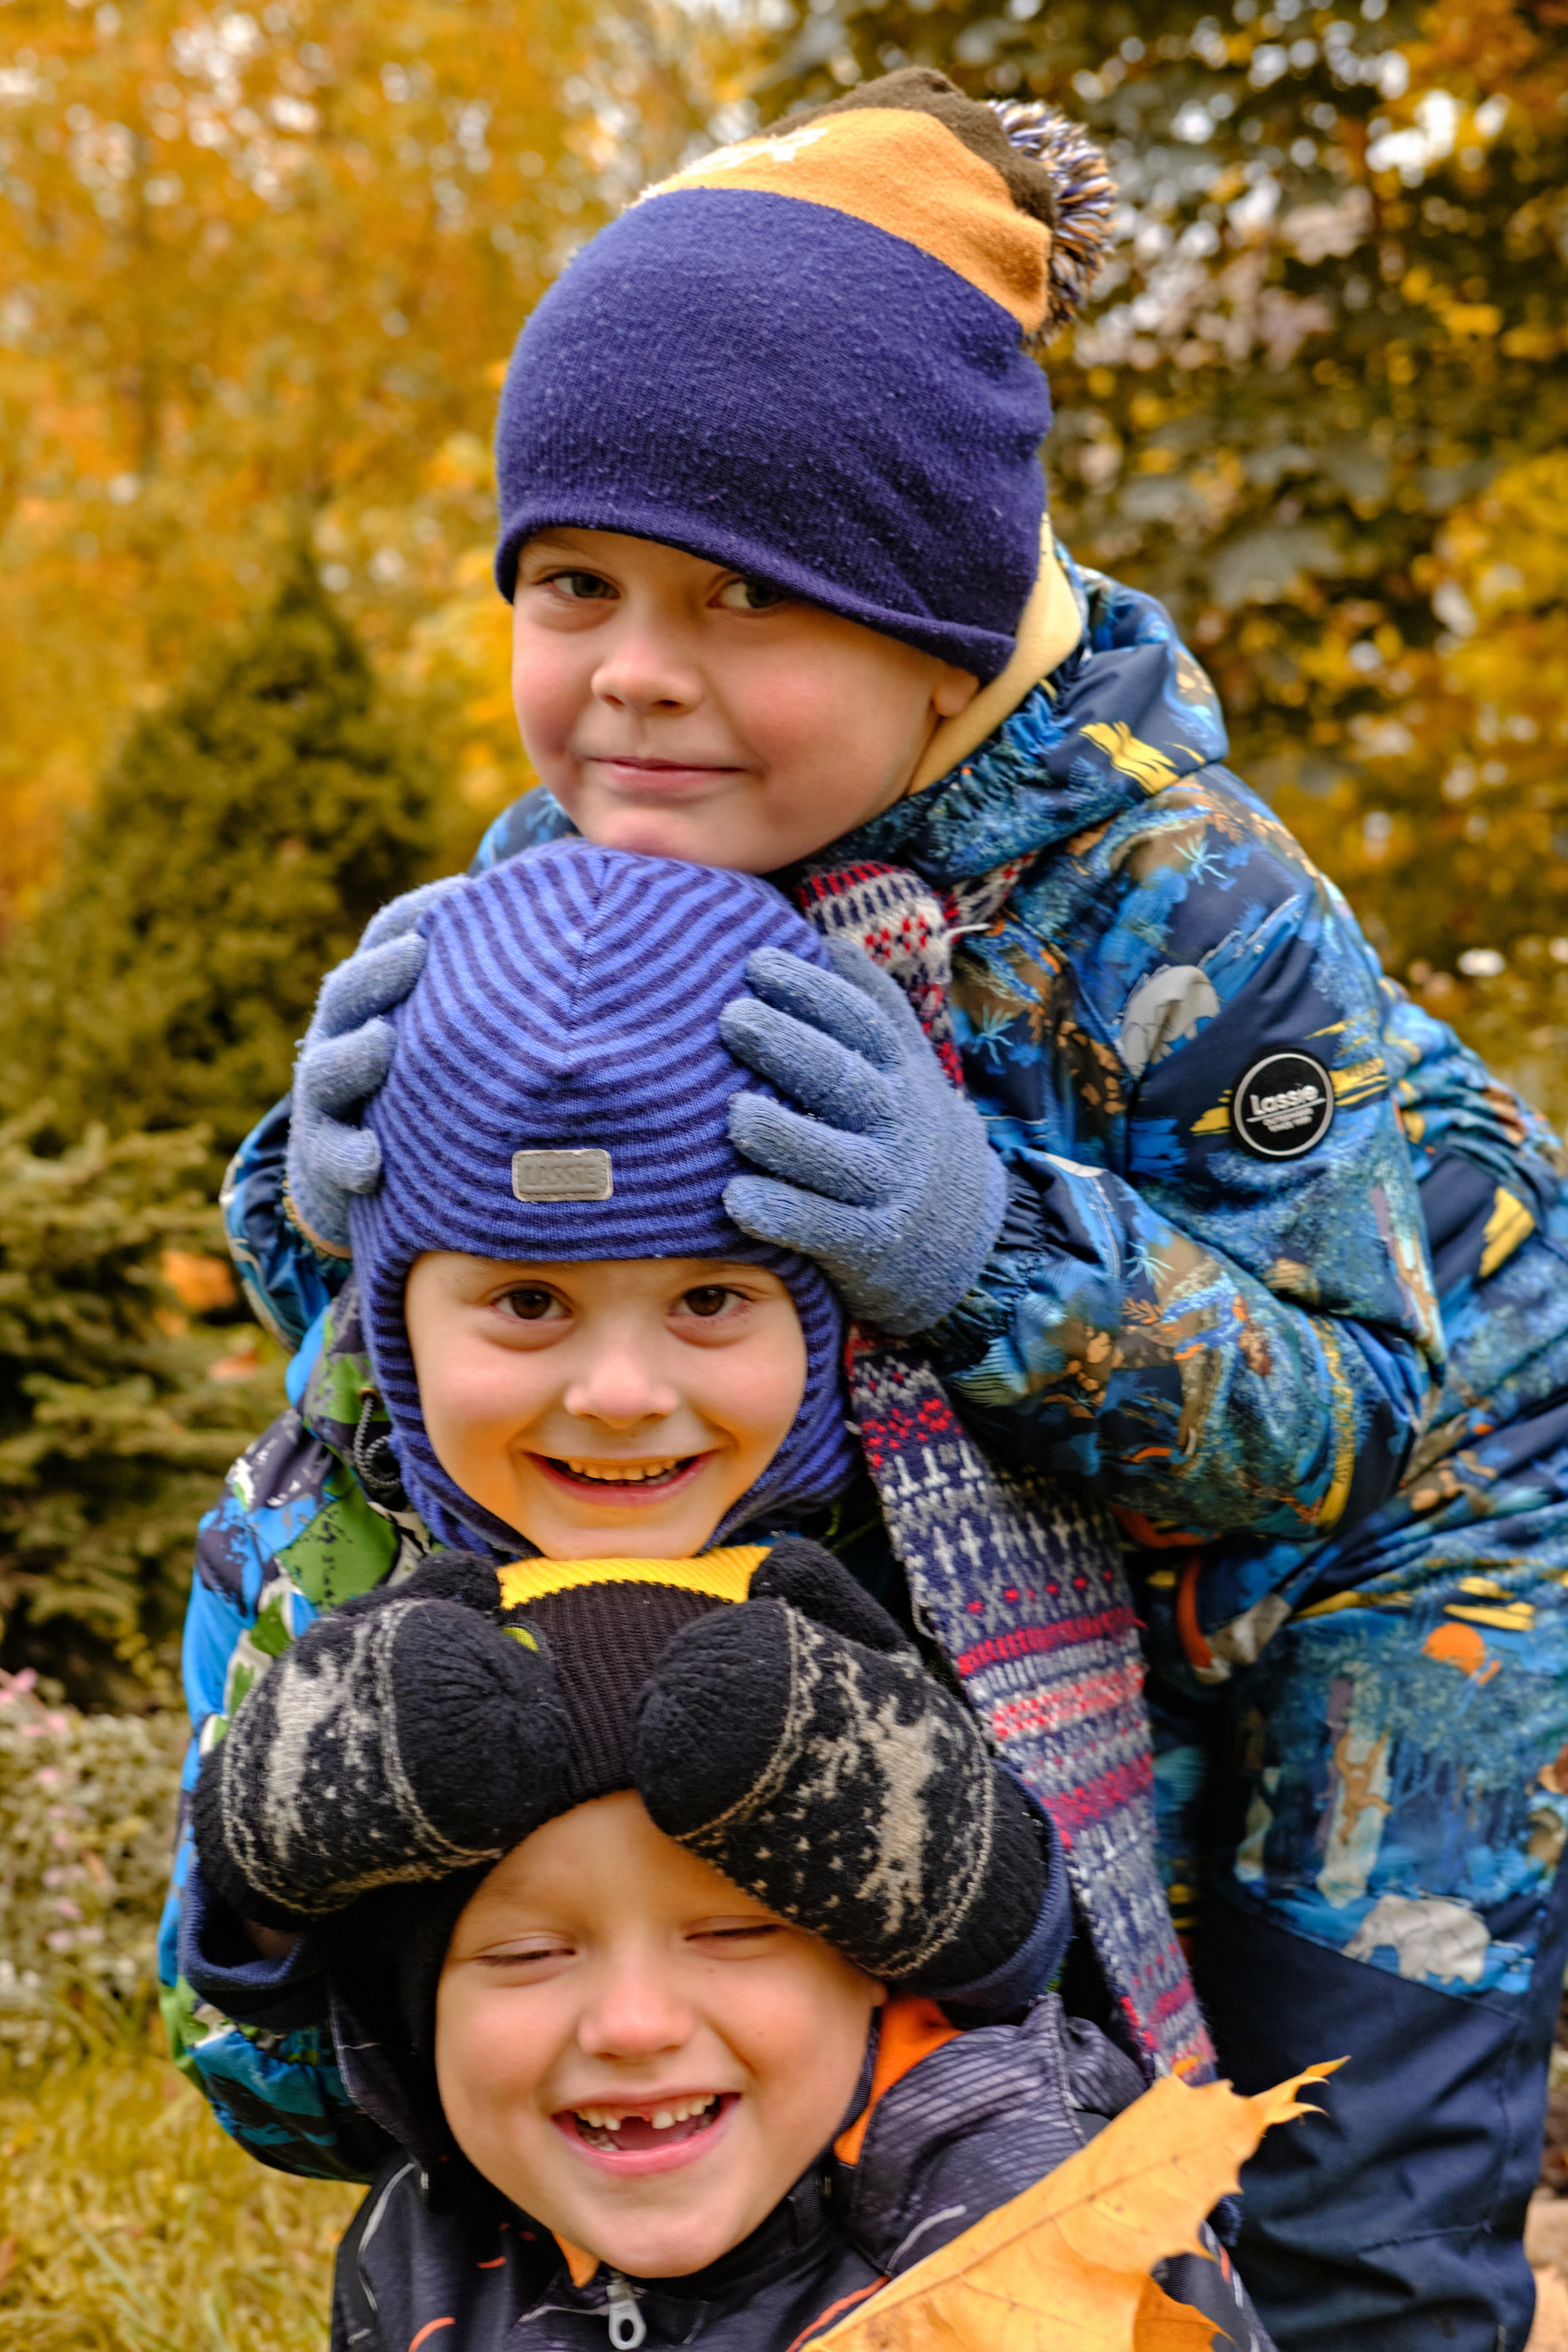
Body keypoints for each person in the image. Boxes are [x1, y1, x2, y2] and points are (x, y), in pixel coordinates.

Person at [208, 66, 1568, 2347]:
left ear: (944, 645)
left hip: (1413, 1505)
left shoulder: (1171, 898)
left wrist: (978, 1236)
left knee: (1332, 2144)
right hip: (1061, 1518)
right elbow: (451, 1334)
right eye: (577, 586)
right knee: (1006, 2095)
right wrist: (321, 1197)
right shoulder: (587, 874)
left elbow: (1336, 1408)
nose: (638, 670)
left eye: (747, 600)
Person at [175, 836, 1273, 2348]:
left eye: (709, 1299)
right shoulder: (305, 1542)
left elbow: (1102, 1960)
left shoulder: (942, 1533)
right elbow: (260, 2085)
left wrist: (945, 1862)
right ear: (396, 1312)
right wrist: (281, 1862)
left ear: (821, 1313)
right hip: (510, 2261)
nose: (619, 1393)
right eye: (523, 1300)